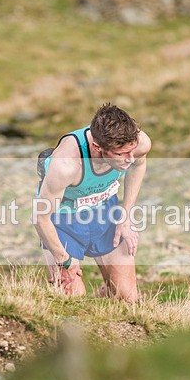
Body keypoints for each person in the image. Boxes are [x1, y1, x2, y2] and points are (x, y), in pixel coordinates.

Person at [34, 103, 151, 303]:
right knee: (71, 299)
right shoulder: (66, 164)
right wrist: (63, 260)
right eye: (121, 154)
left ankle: (101, 298)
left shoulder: (139, 144)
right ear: (98, 147)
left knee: (127, 298)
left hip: (105, 210)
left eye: (131, 151)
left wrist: (125, 216)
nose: (129, 159)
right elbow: (40, 217)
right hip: (64, 218)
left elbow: (138, 165)